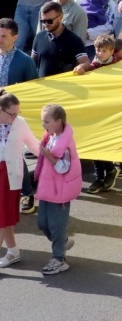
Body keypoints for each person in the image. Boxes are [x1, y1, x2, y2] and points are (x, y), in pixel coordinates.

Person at [35, 103, 81, 274]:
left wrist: (48, 156)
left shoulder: (66, 143)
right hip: (48, 188)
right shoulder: (50, 136)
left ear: (58, 121)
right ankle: (62, 243)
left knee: (56, 226)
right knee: (42, 223)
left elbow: (64, 168)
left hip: (60, 191)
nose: (43, 125)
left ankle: (59, 259)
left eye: (46, 121)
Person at [0, 92, 39, 269]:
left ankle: (12, 252)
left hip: (9, 175)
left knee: (3, 216)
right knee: (4, 217)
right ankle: (13, 251)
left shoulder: (20, 123)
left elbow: (34, 145)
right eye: (12, 114)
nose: (15, 117)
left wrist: (56, 159)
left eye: (17, 113)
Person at [31, 2, 91, 76]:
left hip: (66, 85)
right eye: (43, 21)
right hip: (43, 85)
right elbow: (32, 63)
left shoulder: (73, 40)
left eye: (49, 21)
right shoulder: (39, 37)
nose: (46, 24)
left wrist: (81, 67)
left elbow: (86, 63)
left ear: (61, 17)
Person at [0, 18, 37, 87]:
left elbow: (33, 87)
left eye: (4, 36)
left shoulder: (26, 61)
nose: (0, 39)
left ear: (15, 38)